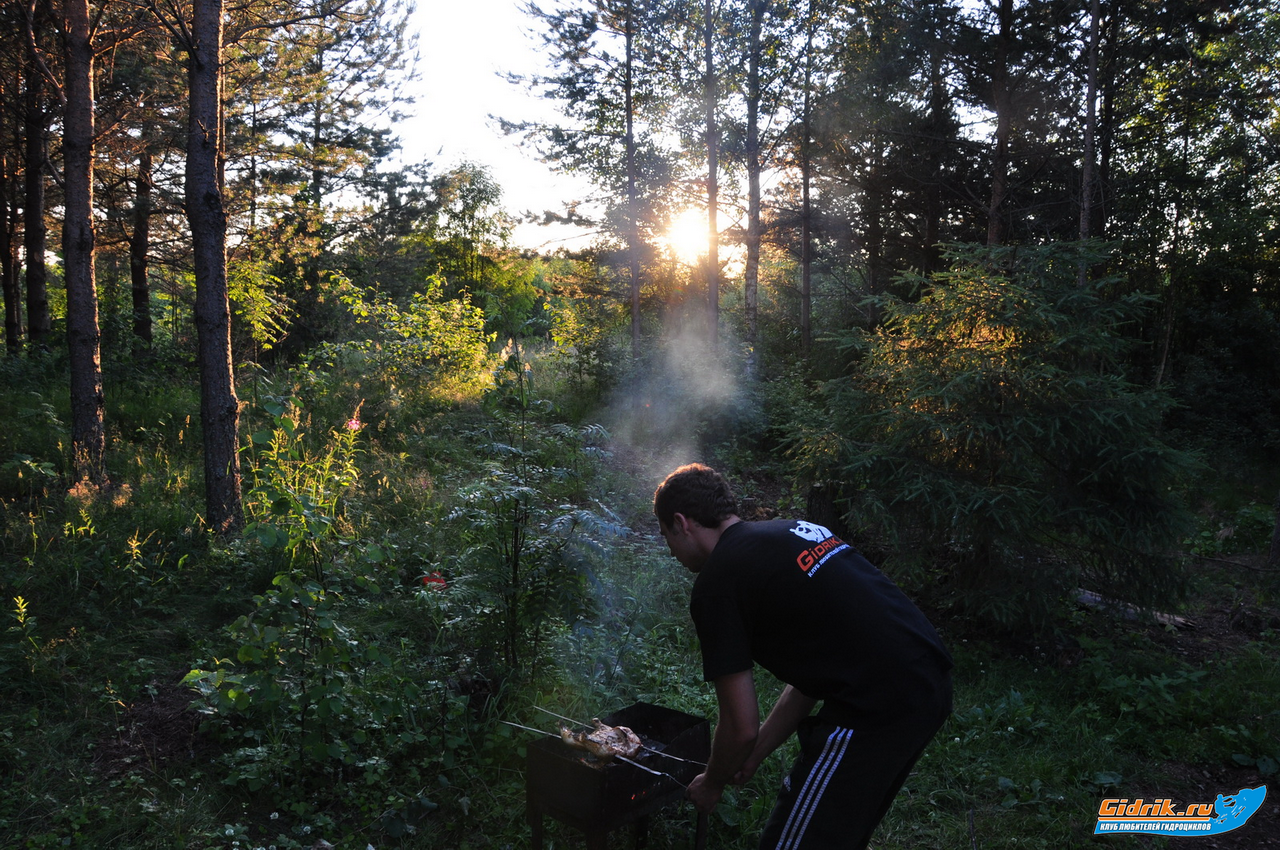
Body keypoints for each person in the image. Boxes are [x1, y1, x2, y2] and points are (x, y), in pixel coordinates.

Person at [653, 463, 953, 850]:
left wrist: (712, 782)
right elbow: (811, 679)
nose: (670, 550)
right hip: (927, 681)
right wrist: (754, 754)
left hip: (877, 702)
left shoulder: (718, 583)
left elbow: (741, 725)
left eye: (666, 536)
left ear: (681, 523)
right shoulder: (790, 532)